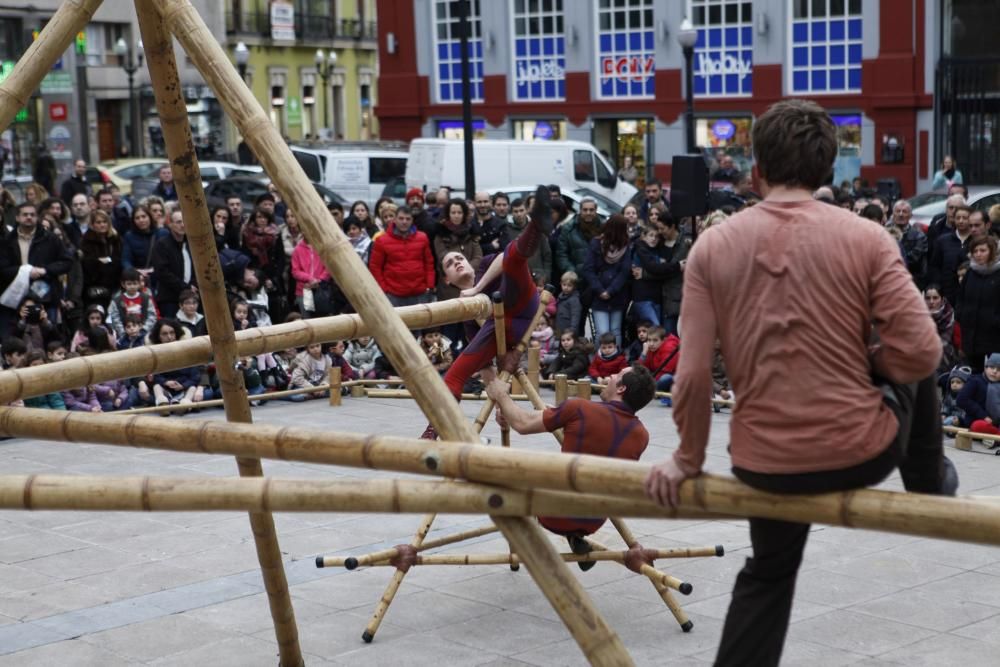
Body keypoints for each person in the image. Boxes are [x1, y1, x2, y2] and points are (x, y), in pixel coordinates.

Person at [643, 99, 957, 667]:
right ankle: (930, 483)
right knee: (912, 365)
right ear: (828, 171)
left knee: (768, 573)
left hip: (766, 462)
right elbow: (923, 351)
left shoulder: (714, 245)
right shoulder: (867, 237)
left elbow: (688, 375)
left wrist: (687, 458)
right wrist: (872, 365)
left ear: (756, 170)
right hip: (862, 452)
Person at [485, 364, 655, 566]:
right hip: (594, 521)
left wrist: (501, 396)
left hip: (554, 512)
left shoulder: (580, 408)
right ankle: (574, 536)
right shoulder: (642, 436)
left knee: (498, 468)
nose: (609, 376)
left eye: (616, 374)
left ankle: (527, 536)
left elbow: (523, 424)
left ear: (621, 388)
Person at [419, 187, 552, 439]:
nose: (457, 262)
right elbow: (485, 364)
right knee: (455, 374)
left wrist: (478, 288)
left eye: (459, 257)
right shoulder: (465, 312)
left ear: (469, 261)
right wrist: (502, 401)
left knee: (513, 255)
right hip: (502, 331)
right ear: (447, 279)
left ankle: (537, 224)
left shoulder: (487, 263)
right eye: (450, 264)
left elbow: (505, 257)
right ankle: (432, 431)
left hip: (522, 305)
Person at [368, 207, 435, 308]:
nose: (404, 222)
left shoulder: (422, 238)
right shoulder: (381, 241)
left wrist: (429, 285)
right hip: (393, 295)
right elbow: (375, 267)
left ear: (412, 220)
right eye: (401, 218)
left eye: (408, 219)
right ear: (394, 219)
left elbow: (429, 263)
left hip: (420, 293)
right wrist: (384, 289)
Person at [583, 213, 631, 346]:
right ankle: (601, 362)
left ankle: (616, 361)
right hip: (599, 294)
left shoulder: (625, 245)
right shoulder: (596, 243)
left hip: (617, 294)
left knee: (615, 332)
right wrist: (600, 290)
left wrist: (611, 291)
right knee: (602, 332)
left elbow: (625, 271)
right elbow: (588, 269)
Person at [956, 235, 1000, 374]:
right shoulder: (970, 273)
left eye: (983, 250)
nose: (978, 254)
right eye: (975, 251)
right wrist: (961, 315)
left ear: (992, 251)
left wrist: (995, 320)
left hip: (994, 336)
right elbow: (961, 298)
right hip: (971, 335)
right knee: (973, 374)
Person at [151, 209, 197, 318]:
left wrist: (193, 285)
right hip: (169, 298)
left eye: (184, 221)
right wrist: (186, 287)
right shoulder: (162, 245)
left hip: (191, 298)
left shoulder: (191, 243)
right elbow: (162, 272)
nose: (182, 225)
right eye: (178, 222)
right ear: (170, 224)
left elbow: (197, 268)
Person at [956, 354, 1000, 436]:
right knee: (978, 426)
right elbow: (961, 400)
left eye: (999, 369)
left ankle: (994, 438)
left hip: (997, 423)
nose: (994, 371)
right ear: (986, 368)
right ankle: (996, 437)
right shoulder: (975, 381)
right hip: (977, 420)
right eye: (992, 367)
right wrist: (983, 415)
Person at [889, 199, 928, 286]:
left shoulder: (919, 236)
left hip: (911, 281)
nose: (901, 214)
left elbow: (914, 259)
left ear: (910, 215)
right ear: (893, 214)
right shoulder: (884, 233)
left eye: (904, 211)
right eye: (898, 211)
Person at [554, 270, 582, 335]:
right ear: (560, 283)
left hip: (569, 332)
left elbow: (575, 316)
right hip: (559, 329)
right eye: (564, 285)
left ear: (574, 286)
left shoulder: (574, 300)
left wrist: (572, 330)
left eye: (569, 285)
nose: (566, 287)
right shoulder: (560, 296)